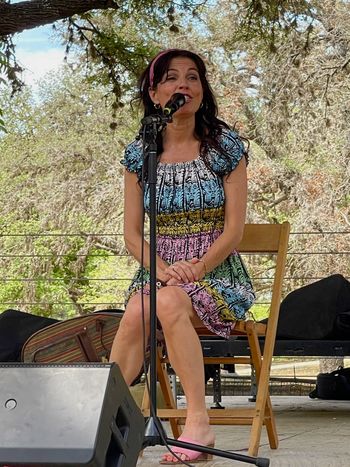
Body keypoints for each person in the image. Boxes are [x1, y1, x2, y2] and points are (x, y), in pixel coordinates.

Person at [109, 48, 255, 464]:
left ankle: (198, 423)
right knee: (141, 307)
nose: (184, 85)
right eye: (172, 78)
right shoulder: (140, 155)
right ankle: (103, 420)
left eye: (193, 77)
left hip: (216, 270)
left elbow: (234, 230)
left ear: (202, 90)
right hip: (161, 270)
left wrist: (197, 266)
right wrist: (161, 268)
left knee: (166, 300)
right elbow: (132, 233)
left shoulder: (224, 147)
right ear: (155, 94)